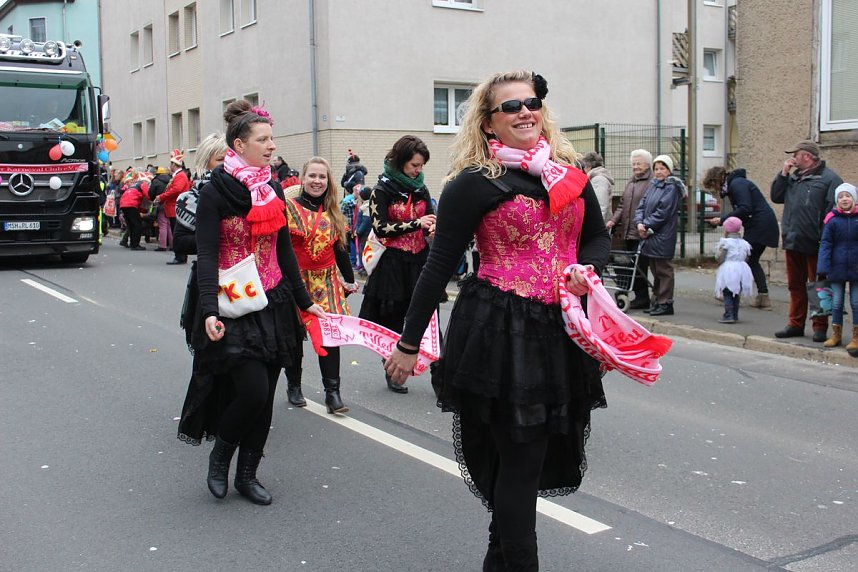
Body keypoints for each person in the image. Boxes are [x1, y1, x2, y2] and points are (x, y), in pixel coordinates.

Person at [384, 70, 610, 570]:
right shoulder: (474, 183)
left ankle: (497, 560)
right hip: (500, 332)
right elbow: (439, 265)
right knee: (520, 464)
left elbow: (596, 237)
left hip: (561, 331)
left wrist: (584, 269)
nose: (525, 112)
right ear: (489, 123)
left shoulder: (567, 172)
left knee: (524, 464)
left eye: (531, 103)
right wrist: (407, 343)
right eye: (511, 107)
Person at [177, 100, 324, 506]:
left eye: (271, 139)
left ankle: (248, 474)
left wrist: (303, 300)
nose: (272, 146)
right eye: (264, 139)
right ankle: (221, 455)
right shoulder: (214, 192)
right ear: (239, 145)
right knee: (252, 392)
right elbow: (205, 254)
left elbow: (283, 250)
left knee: (268, 395)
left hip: (273, 301)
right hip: (233, 302)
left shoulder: (272, 188)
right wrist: (208, 309)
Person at [357, 135, 435, 394]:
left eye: (421, 165)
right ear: (401, 161)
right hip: (392, 263)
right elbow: (380, 229)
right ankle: (392, 369)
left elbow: (428, 219)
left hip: (419, 260)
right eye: (414, 165)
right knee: (392, 318)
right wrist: (416, 224)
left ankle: (440, 374)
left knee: (427, 316)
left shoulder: (421, 188)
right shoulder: (383, 189)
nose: (418, 170)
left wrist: (431, 229)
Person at [282, 157, 358, 412]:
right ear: (303, 179)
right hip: (295, 281)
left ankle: (332, 394)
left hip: (326, 283)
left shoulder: (334, 211)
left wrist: (349, 279)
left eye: (322, 177)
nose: (317, 181)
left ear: (329, 181)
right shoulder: (289, 208)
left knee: (330, 338)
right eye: (312, 176)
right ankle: (294, 386)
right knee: (293, 336)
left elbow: (340, 250)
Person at [770, 139, 843, 341]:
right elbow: (776, 196)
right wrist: (783, 174)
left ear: (807, 156)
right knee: (795, 285)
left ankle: (820, 327)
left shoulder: (829, 179)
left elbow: (834, 212)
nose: (792, 158)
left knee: (819, 286)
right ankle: (795, 324)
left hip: (816, 243)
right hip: (793, 239)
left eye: (796, 154)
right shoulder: (793, 178)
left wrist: (825, 238)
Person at [703, 166, 779, 309]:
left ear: (717, 180)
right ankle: (762, 297)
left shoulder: (736, 184)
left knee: (739, 258)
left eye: (714, 186)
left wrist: (722, 219)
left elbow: (745, 208)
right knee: (751, 260)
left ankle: (729, 292)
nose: (716, 191)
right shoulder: (736, 184)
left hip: (759, 226)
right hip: (763, 224)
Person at [634, 154, 684, 316]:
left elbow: (663, 212)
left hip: (662, 235)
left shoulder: (671, 188)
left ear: (669, 170)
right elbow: (641, 205)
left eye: (662, 168)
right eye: (656, 168)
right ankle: (657, 300)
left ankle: (665, 302)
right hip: (650, 234)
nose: (659, 171)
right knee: (655, 269)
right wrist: (640, 222)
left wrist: (646, 224)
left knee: (664, 270)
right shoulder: (654, 185)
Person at [606, 149, 654, 309]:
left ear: (647, 164)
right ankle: (641, 298)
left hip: (642, 231)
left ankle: (647, 298)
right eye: (633, 164)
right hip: (629, 230)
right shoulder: (632, 181)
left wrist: (645, 224)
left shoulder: (651, 182)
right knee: (634, 267)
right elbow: (622, 205)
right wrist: (613, 220)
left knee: (641, 267)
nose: (635, 167)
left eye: (638, 163)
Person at [817, 183, 858, 354]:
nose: (844, 199)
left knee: (856, 302)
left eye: (847, 196)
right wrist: (823, 266)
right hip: (836, 266)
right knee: (836, 302)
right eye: (840, 197)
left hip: (856, 267)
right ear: (837, 201)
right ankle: (836, 335)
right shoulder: (832, 220)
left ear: (854, 199)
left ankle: (856, 337)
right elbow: (826, 244)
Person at [173, 132, 228, 259]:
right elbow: (179, 242)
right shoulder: (190, 199)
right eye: (220, 159)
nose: (226, 164)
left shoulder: (247, 189)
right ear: (205, 163)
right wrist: (220, 240)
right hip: (210, 270)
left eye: (230, 158)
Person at [714, 217, 754, 324]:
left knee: (727, 292)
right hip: (742, 269)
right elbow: (747, 257)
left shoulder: (726, 243)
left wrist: (718, 259)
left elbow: (720, 258)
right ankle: (735, 314)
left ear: (726, 230)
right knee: (736, 293)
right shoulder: (744, 243)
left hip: (729, 269)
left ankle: (728, 314)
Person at [156, 149, 192, 265]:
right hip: (173, 207)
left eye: (171, 163)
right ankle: (180, 255)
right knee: (176, 232)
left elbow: (176, 190)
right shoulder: (178, 175)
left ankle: (180, 256)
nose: (169, 166)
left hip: (175, 207)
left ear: (174, 164)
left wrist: (161, 197)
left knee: (177, 233)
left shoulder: (180, 176)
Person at [580, 151, 614, 223]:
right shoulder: (596, 177)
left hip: (599, 225)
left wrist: (596, 226)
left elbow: (601, 205)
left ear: (588, 167)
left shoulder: (598, 179)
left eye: (583, 167)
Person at [147, 166, 172, 252]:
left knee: (162, 225)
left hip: (160, 203)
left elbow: (150, 193)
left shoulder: (155, 181)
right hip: (169, 203)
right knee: (169, 225)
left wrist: (154, 199)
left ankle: (163, 245)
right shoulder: (170, 179)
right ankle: (172, 245)